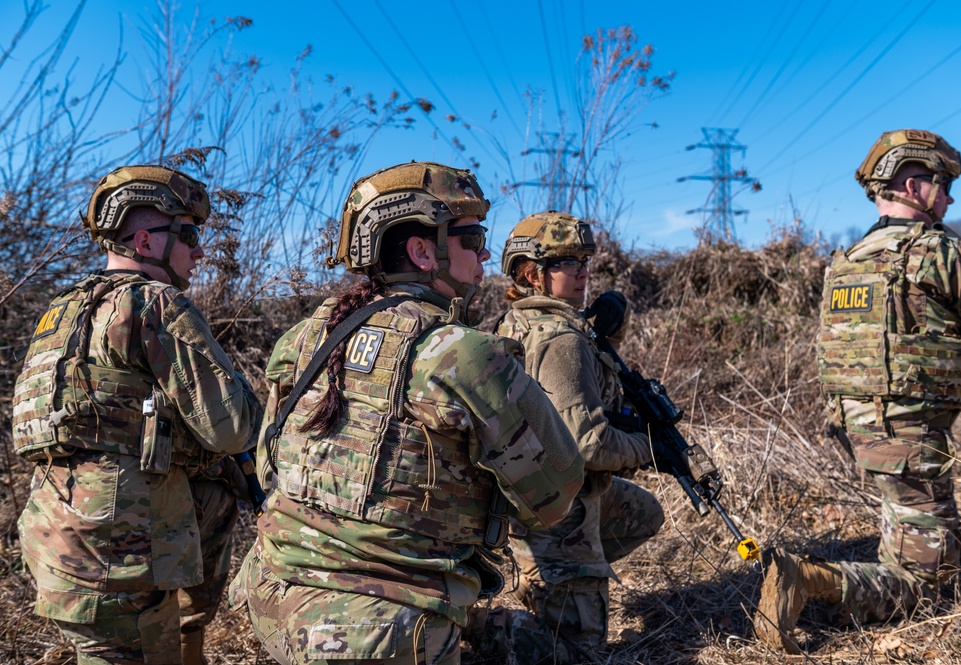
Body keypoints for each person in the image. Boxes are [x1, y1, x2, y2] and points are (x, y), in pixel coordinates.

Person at [228, 162, 585, 665]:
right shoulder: (463, 354)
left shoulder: (306, 336)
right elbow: (556, 492)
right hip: (380, 632)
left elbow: (270, 466)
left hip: (273, 599)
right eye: (473, 237)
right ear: (422, 252)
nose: (486, 252)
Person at [755, 129, 961, 653]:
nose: (951, 197)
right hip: (910, 438)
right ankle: (809, 580)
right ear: (913, 184)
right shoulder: (939, 250)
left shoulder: (849, 259)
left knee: (912, 538)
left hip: (859, 430)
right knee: (930, 587)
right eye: (944, 183)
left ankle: (835, 589)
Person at [13, 165, 263, 664]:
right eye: (189, 234)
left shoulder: (60, 312)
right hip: (122, 555)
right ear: (146, 241)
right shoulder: (155, 304)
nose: (200, 250)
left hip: (57, 541)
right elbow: (233, 427)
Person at [494, 211, 665, 660]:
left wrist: (611, 322)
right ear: (533, 273)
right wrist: (650, 449)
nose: (583, 269)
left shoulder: (515, 322)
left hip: (535, 496)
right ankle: (495, 621)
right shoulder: (561, 339)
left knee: (643, 513)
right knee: (583, 655)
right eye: (568, 261)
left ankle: (565, 578)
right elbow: (588, 443)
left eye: (585, 259)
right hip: (557, 513)